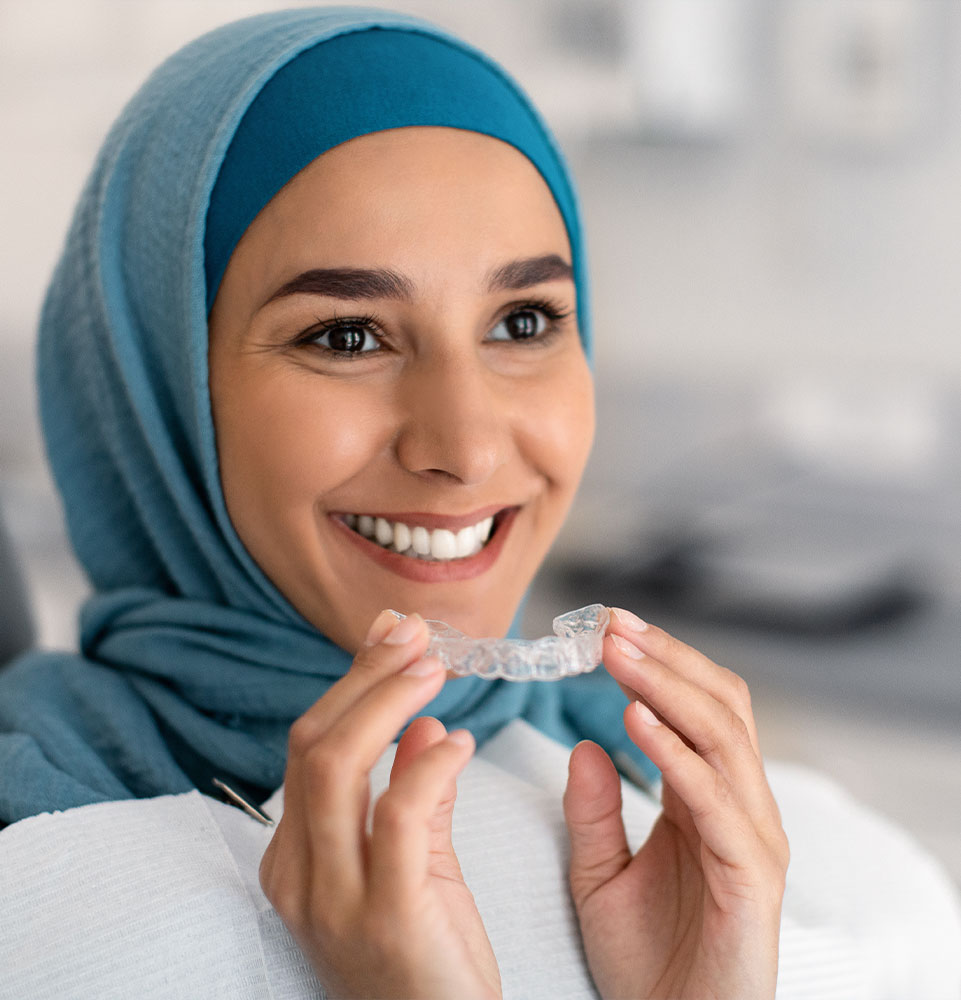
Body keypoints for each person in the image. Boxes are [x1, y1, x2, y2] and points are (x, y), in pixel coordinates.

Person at [1, 8, 959, 1000]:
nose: (464, 447)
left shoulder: (714, 837)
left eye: (523, 320)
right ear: (158, 388)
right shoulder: (38, 867)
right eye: (345, 336)